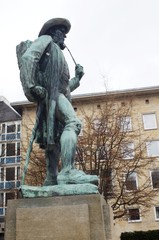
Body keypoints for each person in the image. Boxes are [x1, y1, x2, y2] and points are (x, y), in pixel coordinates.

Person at [16, 18, 98, 186]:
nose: (65, 37)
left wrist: (77, 78)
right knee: (73, 123)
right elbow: (28, 58)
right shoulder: (46, 41)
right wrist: (32, 86)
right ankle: (67, 171)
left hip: (57, 96)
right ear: (53, 32)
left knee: (53, 141)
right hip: (52, 96)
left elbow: (64, 88)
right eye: (62, 32)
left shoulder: (58, 54)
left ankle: (51, 179)